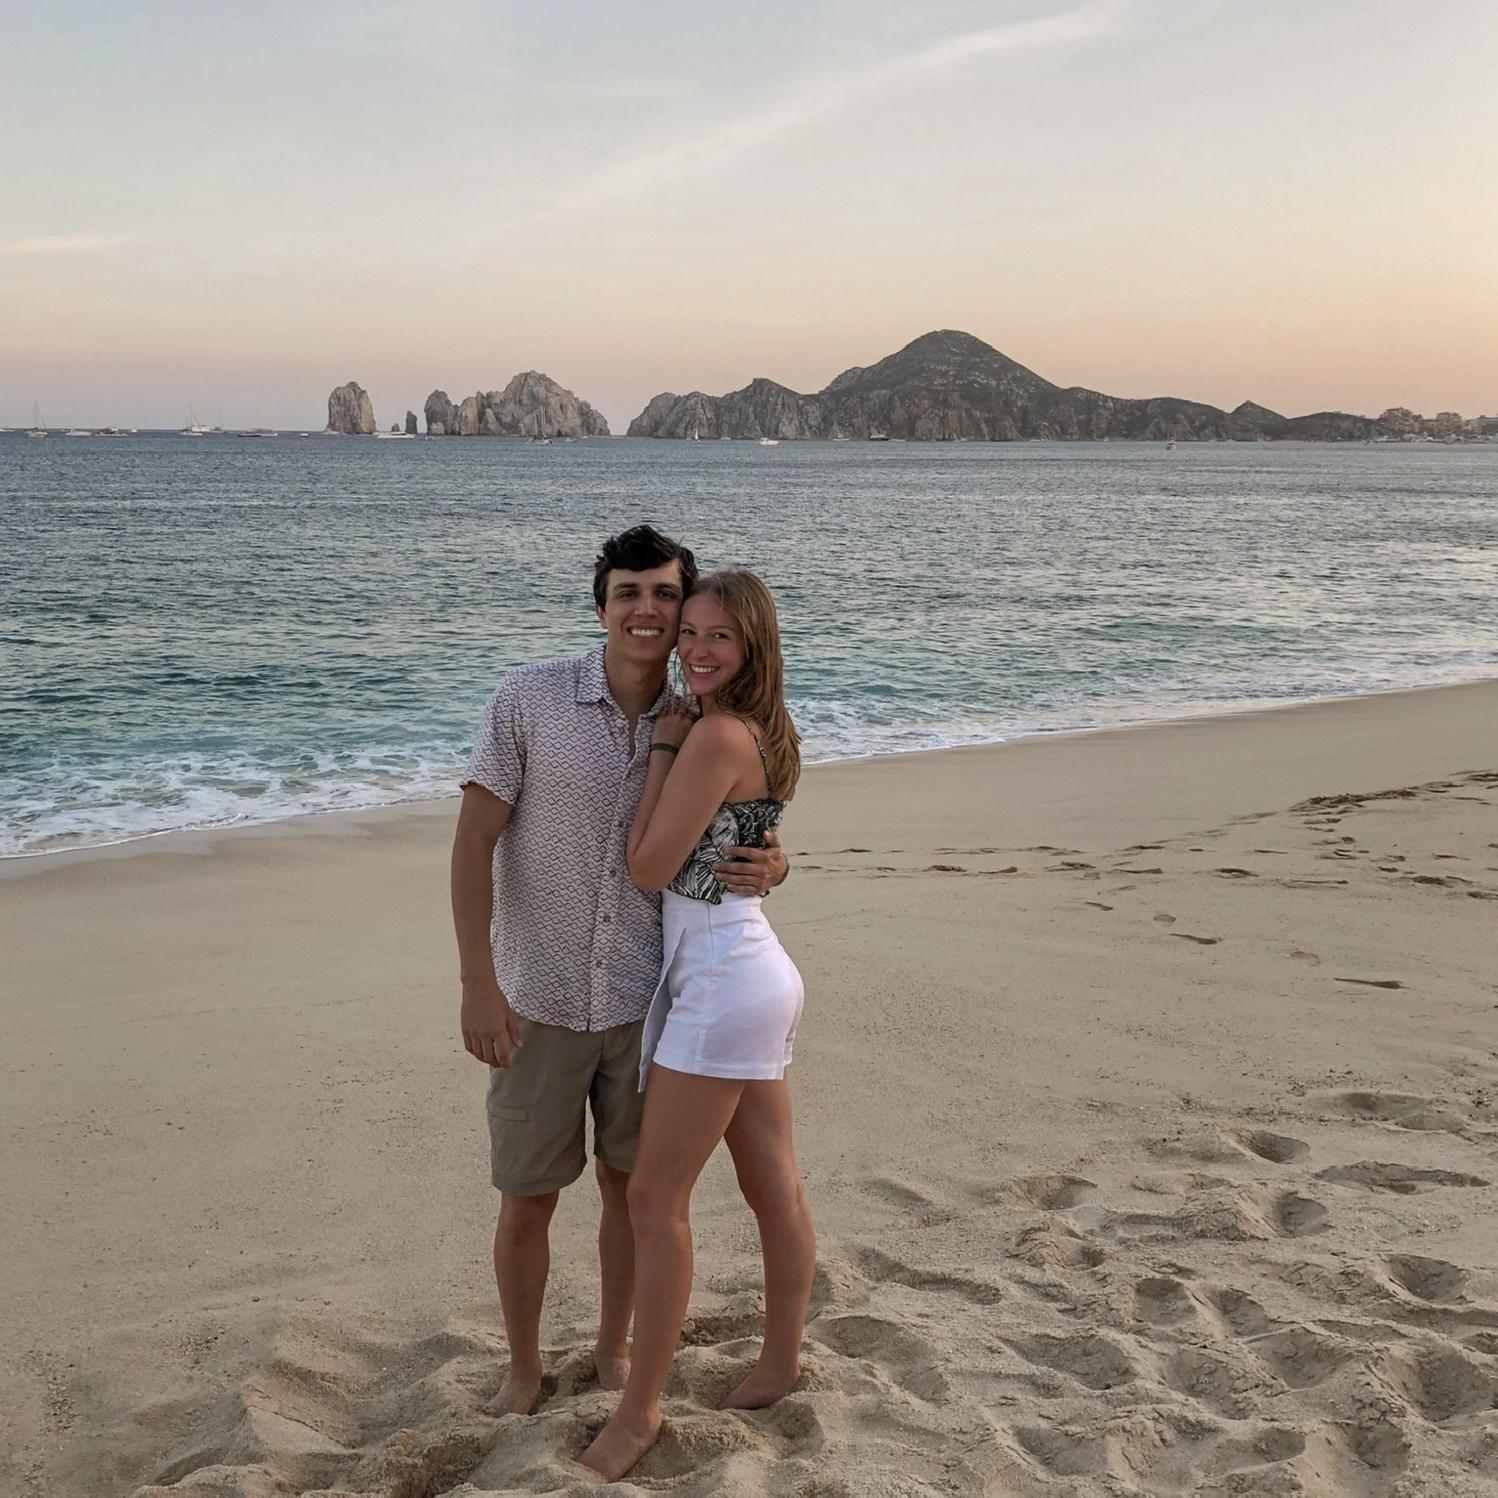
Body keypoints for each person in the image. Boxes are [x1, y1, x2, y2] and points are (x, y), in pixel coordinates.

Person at [450, 528, 787, 1417]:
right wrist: (477, 983)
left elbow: (741, 823)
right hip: (539, 997)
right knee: (527, 1199)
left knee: (631, 1193)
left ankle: (611, 1349)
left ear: (685, 609)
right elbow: (473, 841)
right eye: (629, 592)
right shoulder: (529, 699)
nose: (648, 609)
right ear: (600, 605)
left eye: (665, 594)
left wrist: (775, 863)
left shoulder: (701, 718)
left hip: (650, 1001)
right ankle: (524, 1369)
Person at [581, 568, 815, 1481]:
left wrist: (665, 748)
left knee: (653, 1200)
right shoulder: (766, 728)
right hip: (745, 966)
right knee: (772, 1187)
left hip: (723, 979)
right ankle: (781, 1362)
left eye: (718, 636)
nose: (696, 650)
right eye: (689, 634)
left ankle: (640, 1412)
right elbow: (737, 847)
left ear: (753, 644)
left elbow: (646, 867)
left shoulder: (713, 734)